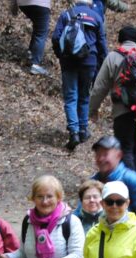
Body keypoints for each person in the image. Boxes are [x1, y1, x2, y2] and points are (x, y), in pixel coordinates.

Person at [88, 26, 136, 176]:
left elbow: (99, 87)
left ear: (120, 40)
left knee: (125, 149)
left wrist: (93, 110)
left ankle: (130, 188)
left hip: (122, 111)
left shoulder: (113, 57)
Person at [51, 0, 107, 150]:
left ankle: (74, 132)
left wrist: (60, 55)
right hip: (89, 61)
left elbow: (56, 38)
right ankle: (83, 130)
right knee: (84, 95)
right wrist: (102, 64)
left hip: (69, 61)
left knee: (70, 96)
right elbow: (102, 44)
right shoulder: (96, 16)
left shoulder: (66, 14)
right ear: (89, 3)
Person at [89, 136, 136, 243]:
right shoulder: (93, 181)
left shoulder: (130, 179)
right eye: (98, 154)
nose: (100, 159)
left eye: (105, 154)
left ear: (119, 155)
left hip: (129, 236)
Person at [13, 0, 52, 75]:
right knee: (41, 33)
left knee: (38, 28)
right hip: (41, 4)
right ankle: (35, 64)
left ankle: (30, 55)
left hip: (23, 4)